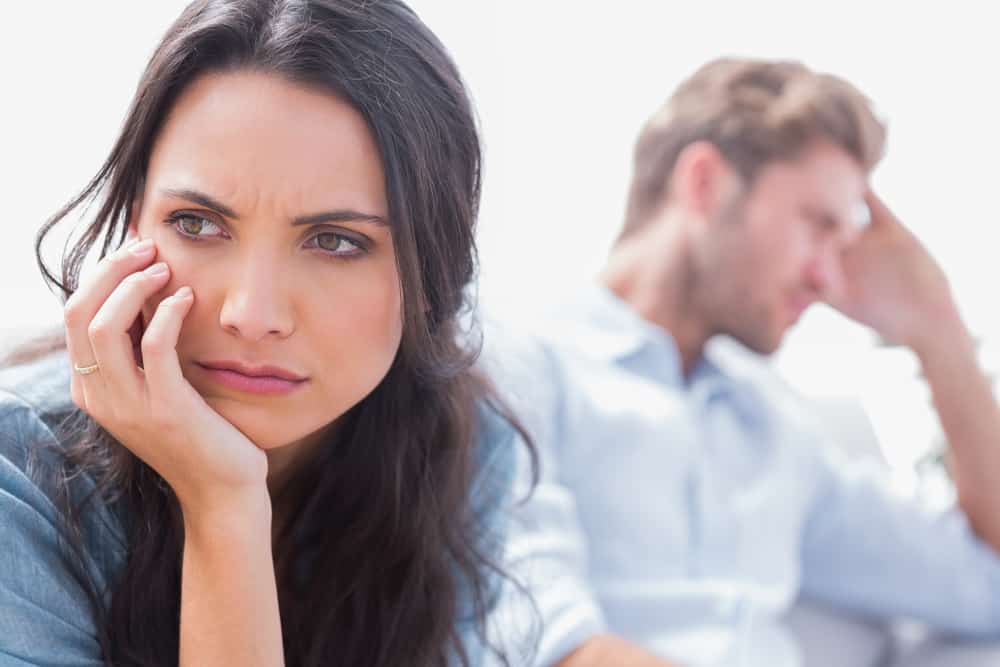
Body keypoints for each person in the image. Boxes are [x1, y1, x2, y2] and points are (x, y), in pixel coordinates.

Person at [0, 1, 529, 666]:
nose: (251, 314)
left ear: (432, 274)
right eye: (197, 223)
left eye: (335, 240)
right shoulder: (15, 475)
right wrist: (224, 508)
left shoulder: (459, 446)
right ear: (135, 226)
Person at [487, 58, 1000, 667]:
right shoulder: (516, 365)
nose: (828, 278)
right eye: (817, 225)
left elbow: (986, 587)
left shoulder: (776, 429)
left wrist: (937, 331)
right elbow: (543, 646)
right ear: (706, 184)